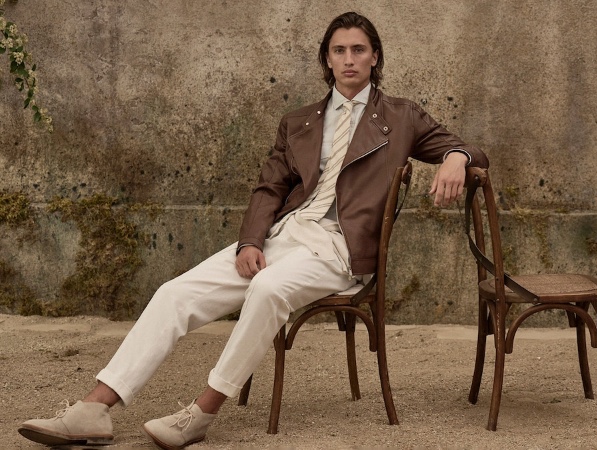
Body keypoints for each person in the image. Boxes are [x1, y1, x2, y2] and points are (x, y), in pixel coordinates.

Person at [18, 11, 489, 449]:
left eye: (359, 50)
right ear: (327, 59)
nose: (350, 59)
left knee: (266, 290)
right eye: (340, 50)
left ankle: (202, 412)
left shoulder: (402, 116)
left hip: (340, 251)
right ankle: (94, 409)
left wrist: (455, 158)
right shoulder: (299, 122)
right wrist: (251, 241)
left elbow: (471, 150)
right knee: (174, 293)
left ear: (375, 56)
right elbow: (269, 188)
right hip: (285, 236)